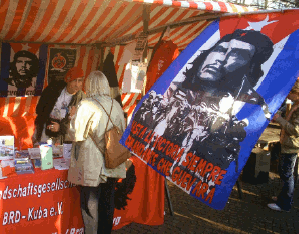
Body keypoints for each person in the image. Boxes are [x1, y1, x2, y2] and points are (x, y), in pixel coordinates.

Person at [134, 29, 274, 170]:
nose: (220, 59)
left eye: (237, 54)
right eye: (219, 50)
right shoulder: (171, 90)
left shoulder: (239, 110)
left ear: (248, 69)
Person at [67, 71, 126, 234]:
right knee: (107, 203)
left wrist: (72, 118)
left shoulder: (85, 105)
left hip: (92, 164)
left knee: (90, 206)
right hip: (112, 160)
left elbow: (75, 134)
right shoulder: (116, 105)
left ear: (89, 85)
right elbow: (123, 131)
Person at [33, 66, 86, 145]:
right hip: (45, 128)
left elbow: (79, 122)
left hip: (64, 135)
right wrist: (47, 123)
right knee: (44, 155)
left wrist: (60, 127)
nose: (77, 85)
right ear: (68, 80)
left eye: (80, 81)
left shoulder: (81, 98)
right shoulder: (53, 88)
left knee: (60, 156)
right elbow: (40, 109)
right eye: (74, 80)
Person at [268, 79, 299, 212]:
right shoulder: (296, 104)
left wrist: (278, 119)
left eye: (290, 92)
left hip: (291, 146)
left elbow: (296, 130)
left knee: (287, 175)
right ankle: (284, 197)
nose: (288, 95)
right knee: (285, 173)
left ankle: (285, 204)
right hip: (287, 144)